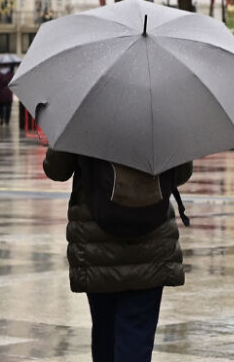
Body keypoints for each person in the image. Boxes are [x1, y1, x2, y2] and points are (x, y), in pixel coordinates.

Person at [44, 149, 192, 362]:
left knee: (105, 330)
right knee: (137, 335)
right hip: (151, 245)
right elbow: (181, 174)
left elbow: (56, 169)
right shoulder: (166, 118)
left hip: (97, 244)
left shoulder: (84, 117)